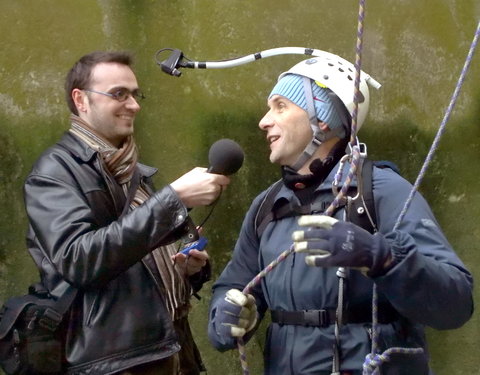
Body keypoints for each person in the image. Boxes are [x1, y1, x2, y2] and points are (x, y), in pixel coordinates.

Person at [207, 51, 473, 374]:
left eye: (280, 106)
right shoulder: (266, 208)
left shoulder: (382, 191)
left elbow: (456, 303)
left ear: (323, 120)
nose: (264, 121)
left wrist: (382, 257)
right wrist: (227, 316)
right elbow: (230, 289)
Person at [24, 51, 230, 375]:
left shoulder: (130, 169)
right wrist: (172, 200)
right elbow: (79, 260)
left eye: (135, 94)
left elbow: (134, 263)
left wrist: (185, 270)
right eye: (119, 94)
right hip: (111, 362)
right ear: (81, 100)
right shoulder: (54, 172)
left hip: (168, 350)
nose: (134, 105)